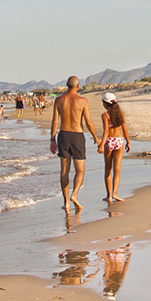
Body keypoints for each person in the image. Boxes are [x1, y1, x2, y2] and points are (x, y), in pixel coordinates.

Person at [50, 76, 99, 211]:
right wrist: (96, 137)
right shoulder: (82, 101)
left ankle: (66, 202)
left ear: (67, 85)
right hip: (77, 136)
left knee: (64, 171)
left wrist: (52, 139)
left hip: (63, 135)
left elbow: (55, 121)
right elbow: (88, 121)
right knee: (80, 170)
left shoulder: (59, 100)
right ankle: (74, 194)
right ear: (78, 86)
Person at [97, 92, 131, 203]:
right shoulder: (120, 114)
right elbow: (124, 129)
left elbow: (106, 131)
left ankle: (109, 196)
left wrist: (101, 145)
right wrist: (128, 142)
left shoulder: (105, 115)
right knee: (117, 170)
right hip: (119, 140)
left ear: (106, 104)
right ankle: (115, 193)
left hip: (109, 141)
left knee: (108, 169)